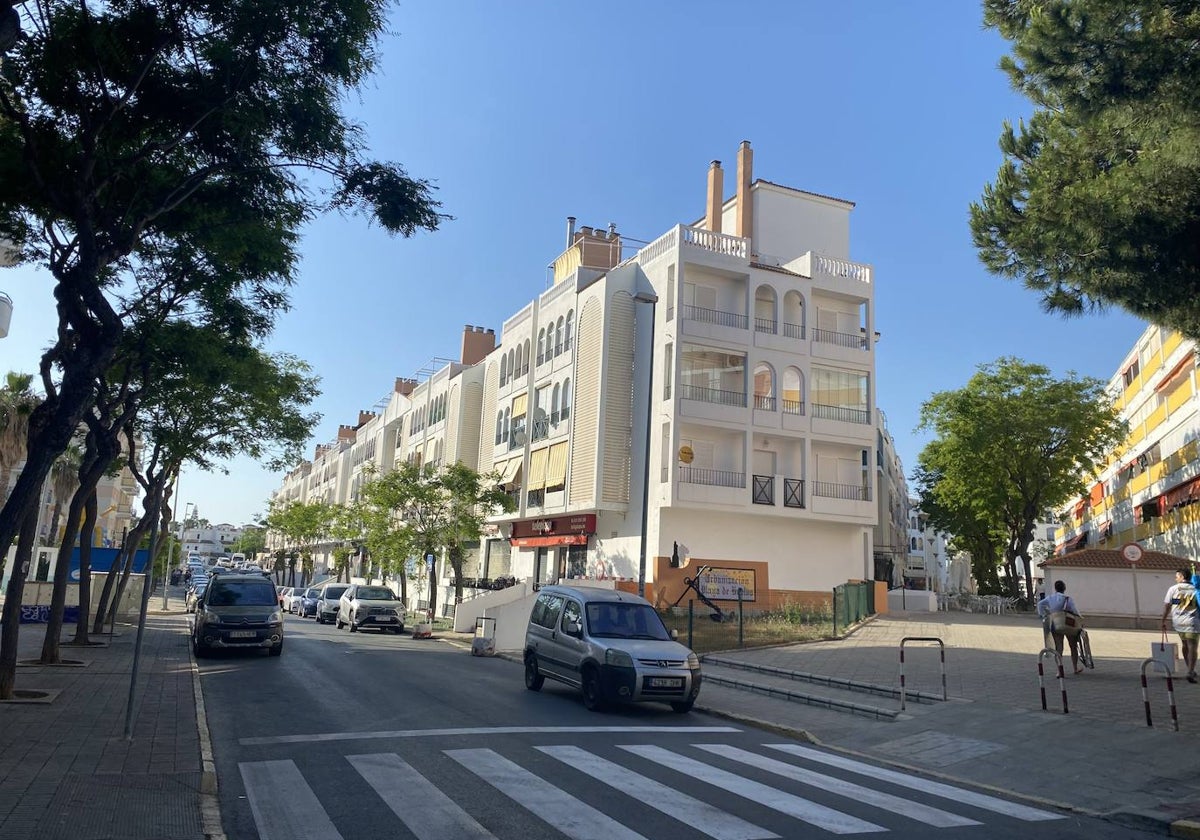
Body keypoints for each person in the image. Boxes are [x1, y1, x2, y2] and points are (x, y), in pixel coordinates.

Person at [1037, 580, 1085, 674]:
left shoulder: (1050, 598)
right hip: (1068, 624)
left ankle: (1060, 671)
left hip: (1056, 624)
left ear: (1055, 588)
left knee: (1059, 648)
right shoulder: (1067, 598)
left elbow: (1040, 604)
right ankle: (1075, 668)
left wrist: (1044, 615)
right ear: (1064, 588)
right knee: (1073, 647)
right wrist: (1081, 618)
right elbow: (1074, 610)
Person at [1162, 568, 1200, 683]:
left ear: (1182, 577)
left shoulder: (1173, 589)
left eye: (1177, 576)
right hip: (1192, 621)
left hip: (1178, 622)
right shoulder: (1195, 589)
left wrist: (1163, 619)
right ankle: (1190, 670)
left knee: (1185, 644)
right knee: (1192, 645)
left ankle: (1190, 668)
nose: (1176, 578)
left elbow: (1168, 605)